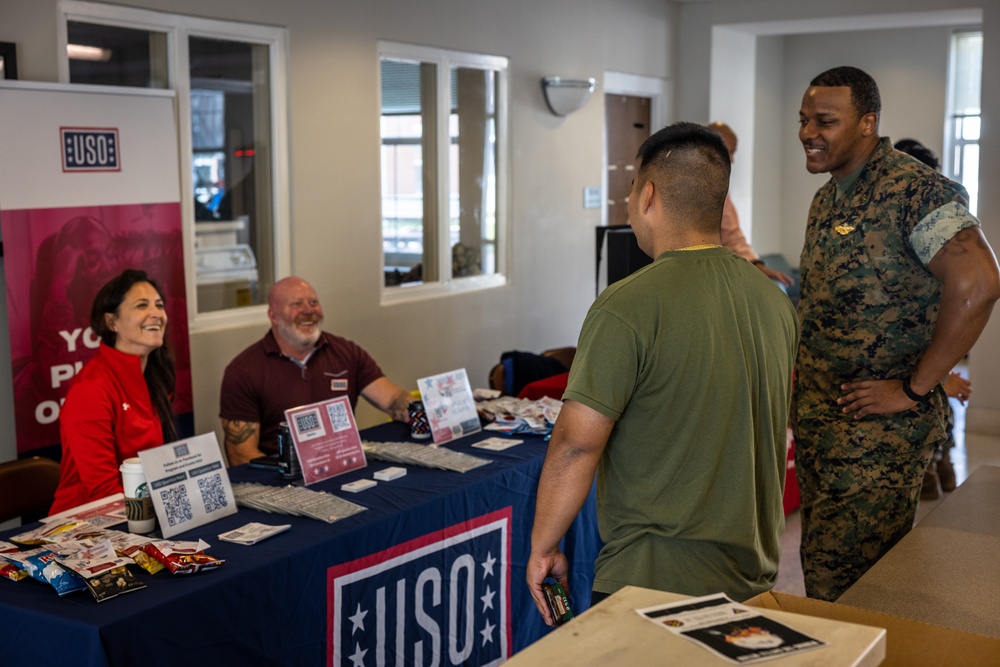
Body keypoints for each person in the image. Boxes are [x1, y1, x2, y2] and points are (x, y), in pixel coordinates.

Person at [526, 122, 798, 624]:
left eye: (630, 190)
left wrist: (544, 546)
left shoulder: (626, 305)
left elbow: (576, 443)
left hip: (653, 580)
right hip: (752, 575)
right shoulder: (773, 301)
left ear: (647, 194)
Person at [793, 66, 1000, 602]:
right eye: (802, 120)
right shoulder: (829, 198)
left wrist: (913, 387)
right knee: (825, 580)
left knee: (858, 593)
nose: (807, 133)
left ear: (867, 123)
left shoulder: (915, 191)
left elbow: (978, 283)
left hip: (875, 443)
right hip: (823, 429)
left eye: (824, 121)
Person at [219, 276, 412, 465]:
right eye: (296, 304)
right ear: (273, 316)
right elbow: (241, 456)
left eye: (313, 302)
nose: (308, 310)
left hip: (342, 467)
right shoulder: (244, 370)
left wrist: (433, 411)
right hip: (281, 481)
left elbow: (393, 399)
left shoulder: (347, 353)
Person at [49, 269, 177, 514]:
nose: (156, 314)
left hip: (143, 513)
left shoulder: (156, 376)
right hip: (86, 526)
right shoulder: (90, 389)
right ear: (111, 322)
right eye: (142, 305)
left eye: (159, 305)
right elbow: (103, 491)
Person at [891, 138, 969, 500]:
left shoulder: (938, 219)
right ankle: (937, 465)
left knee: (931, 398)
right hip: (909, 344)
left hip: (927, 339)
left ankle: (940, 462)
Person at [707, 121, 794, 288]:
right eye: (729, 152)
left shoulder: (719, 191)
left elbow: (732, 237)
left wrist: (759, 266)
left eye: (734, 153)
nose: (732, 160)